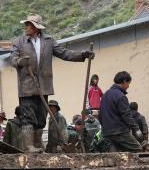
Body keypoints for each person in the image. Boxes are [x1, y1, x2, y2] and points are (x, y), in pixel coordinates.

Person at [7, 13, 94, 151]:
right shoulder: (19, 42)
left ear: (36, 27)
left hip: (44, 86)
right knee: (28, 117)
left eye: (28, 25)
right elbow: (12, 58)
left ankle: (37, 145)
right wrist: (19, 62)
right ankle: (29, 147)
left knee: (41, 118)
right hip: (27, 86)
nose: (26, 27)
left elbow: (64, 53)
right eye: (26, 24)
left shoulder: (48, 41)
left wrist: (82, 55)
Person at [99, 71, 142, 152]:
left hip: (107, 133)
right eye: (128, 83)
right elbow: (126, 115)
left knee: (116, 154)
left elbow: (100, 115)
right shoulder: (120, 96)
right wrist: (136, 129)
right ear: (124, 81)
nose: (128, 86)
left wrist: (105, 128)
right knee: (137, 149)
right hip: (119, 131)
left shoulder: (105, 95)